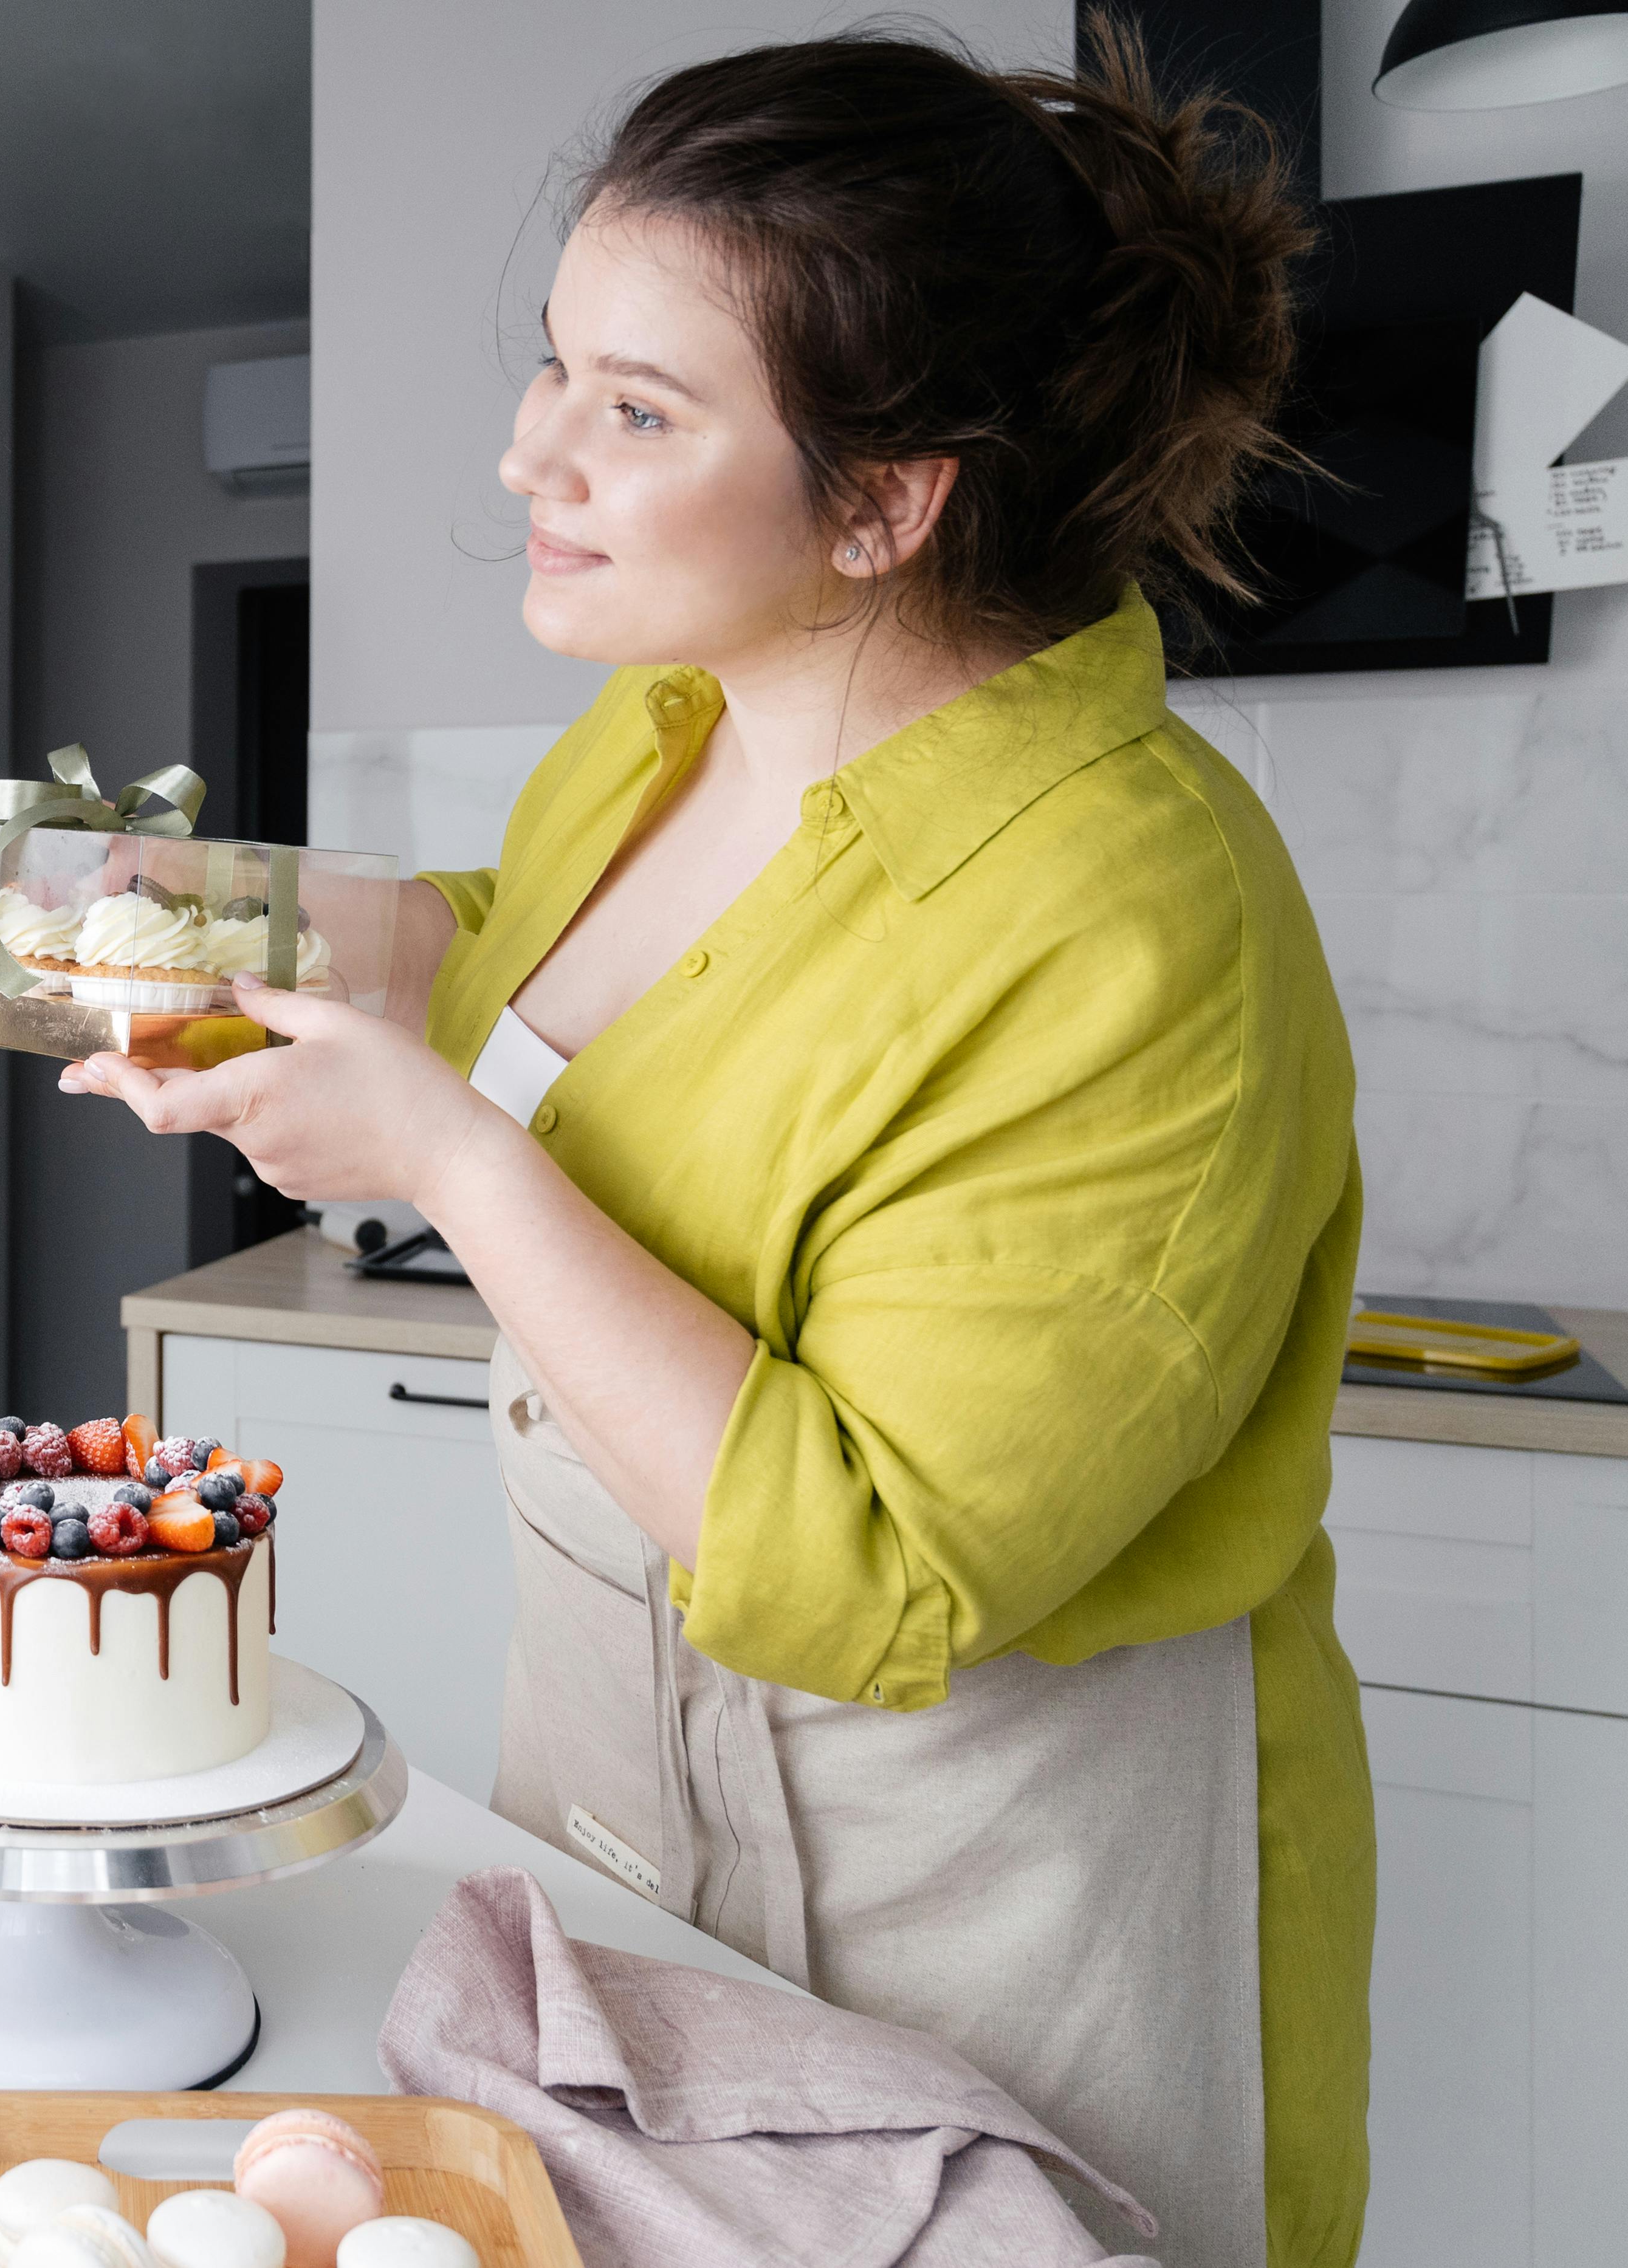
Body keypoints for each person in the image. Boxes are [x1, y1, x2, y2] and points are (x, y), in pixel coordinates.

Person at [66, 26, 1361, 2267]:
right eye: (557, 370)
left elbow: (876, 1573)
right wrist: (258, 918)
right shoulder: (671, 720)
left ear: (885, 502)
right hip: (613, 1778)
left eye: (634, 412)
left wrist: (453, 1165)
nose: (527, 454)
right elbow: (533, 956)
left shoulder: (1132, 920)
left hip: (975, 1894)